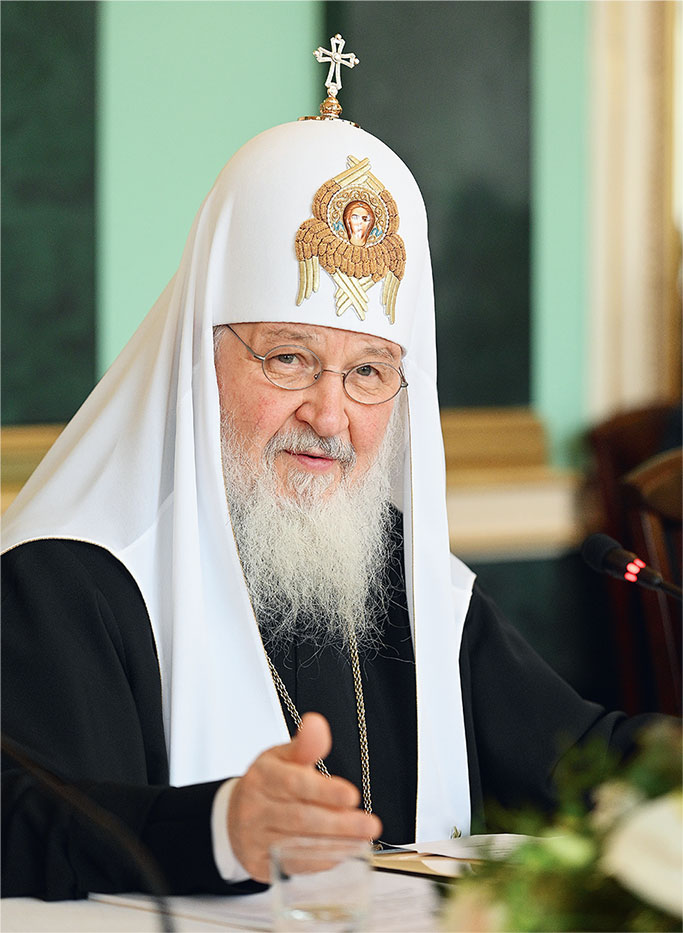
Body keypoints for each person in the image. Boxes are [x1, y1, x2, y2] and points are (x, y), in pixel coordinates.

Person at [1, 105, 653, 902]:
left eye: (369, 372)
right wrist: (219, 827)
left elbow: (577, 756)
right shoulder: (73, 575)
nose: (329, 414)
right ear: (198, 363)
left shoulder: (397, 569)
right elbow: (24, 823)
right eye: (288, 359)